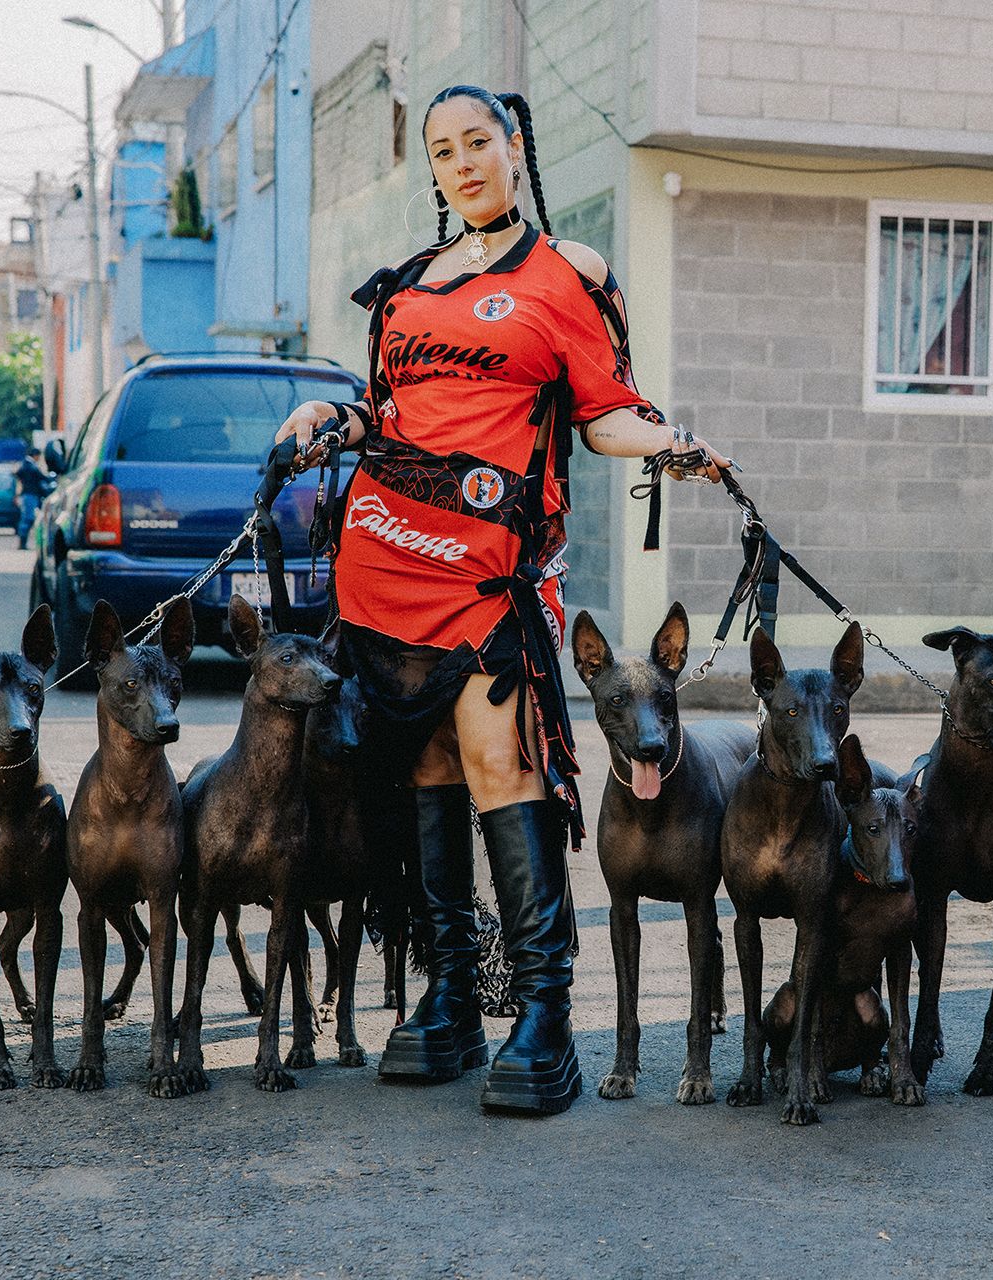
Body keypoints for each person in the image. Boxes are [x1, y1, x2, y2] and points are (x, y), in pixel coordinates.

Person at [274, 85, 728, 1117]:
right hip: (385, 557)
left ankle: (543, 1017)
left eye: (478, 141)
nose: (462, 162)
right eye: (443, 150)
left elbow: (607, 411)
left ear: (515, 147)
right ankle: (447, 998)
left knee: (496, 755)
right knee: (427, 759)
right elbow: (384, 413)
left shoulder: (567, 276)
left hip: (494, 563)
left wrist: (673, 442)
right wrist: (328, 416)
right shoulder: (409, 286)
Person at [14, 447, 51, 549]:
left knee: (28, 518)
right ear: (35, 455)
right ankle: (22, 543)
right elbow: (40, 476)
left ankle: (23, 543)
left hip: (29, 494)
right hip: (30, 494)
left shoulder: (26, 464)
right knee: (27, 518)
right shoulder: (29, 465)